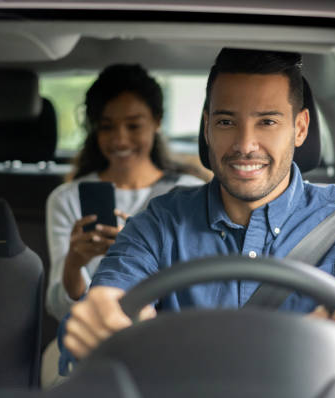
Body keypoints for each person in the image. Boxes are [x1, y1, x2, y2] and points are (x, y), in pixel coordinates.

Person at [59, 49, 335, 380]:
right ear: (207, 128)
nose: (245, 145)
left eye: (267, 121)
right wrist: (98, 320)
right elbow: (100, 305)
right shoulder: (161, 222)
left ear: (299, 128)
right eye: (227, 121)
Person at [42, 64, 204, 386]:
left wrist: (138, 251)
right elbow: (61, 309)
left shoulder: (187, 194)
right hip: (93, 337)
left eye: (133, 125)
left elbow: (200, 292)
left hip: (169, 336)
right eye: (107, 127)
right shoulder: (67, 199)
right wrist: (75, 264)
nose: (120, 139)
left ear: (157, 122)